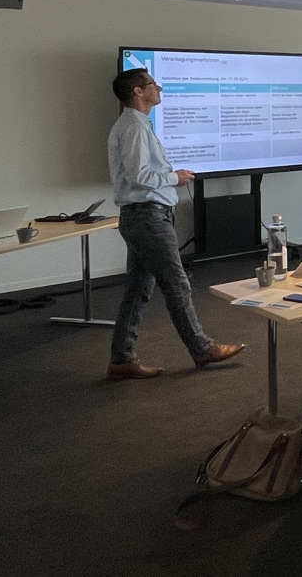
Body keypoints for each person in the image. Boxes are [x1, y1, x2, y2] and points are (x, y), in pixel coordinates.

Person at [106, 69, 243, 380]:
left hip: (144, 215)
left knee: (138, 290)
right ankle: (202, 349)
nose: (159, 87)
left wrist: (169, 180)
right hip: (147, 217)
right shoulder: (134, 127)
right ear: (138, 92)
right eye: (153, 84)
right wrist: (173, 177)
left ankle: (121, 359)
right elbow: (139, 175)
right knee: (177, 284)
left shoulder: (137, 124)